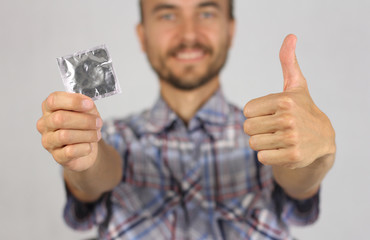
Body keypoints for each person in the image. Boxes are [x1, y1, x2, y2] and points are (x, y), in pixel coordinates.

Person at [36, 0, 336, 239]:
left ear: (230, 30)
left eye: (206, 12)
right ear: (142, 36)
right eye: (167, 15)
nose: (189, 34)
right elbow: (98, 172)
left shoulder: (270, 132)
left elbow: (297, 183)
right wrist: (83, 150)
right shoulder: (110, 135)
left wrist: (318, 155)